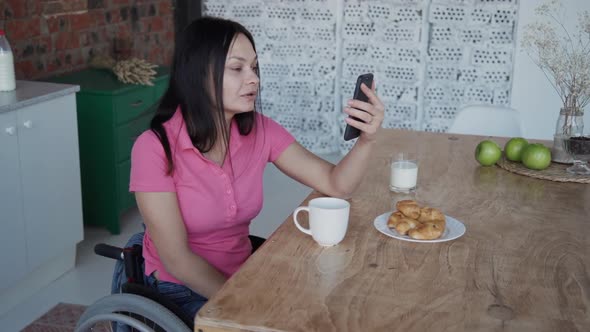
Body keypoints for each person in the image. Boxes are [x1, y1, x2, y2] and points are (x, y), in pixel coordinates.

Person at [129, 16, 385, 319]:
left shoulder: (260, 131)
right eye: (237, 68)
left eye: (254, 67)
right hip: (180, 291)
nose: (253, 79)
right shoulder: (154, 147)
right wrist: (246, 301)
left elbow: (335, 183)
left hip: (244, 273)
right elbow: (177, 259)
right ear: (198, 74)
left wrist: (366, 141)